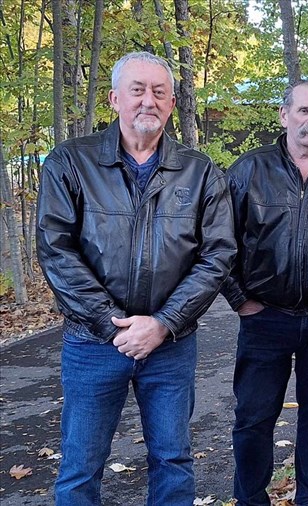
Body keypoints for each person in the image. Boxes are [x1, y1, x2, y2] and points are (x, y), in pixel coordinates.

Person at [36, 51, 236, 505]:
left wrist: (163, 323)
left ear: (171, 103)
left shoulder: (200, 171)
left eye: (159, 92)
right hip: (92, 343)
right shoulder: (71, 163)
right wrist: (113, 324)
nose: (149, 100)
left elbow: (217, 254)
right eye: (138, 90)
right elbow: (56, 249)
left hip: (171, 345)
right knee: (80, 467)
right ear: (114, 99)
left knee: (172, 461)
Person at [222, 80, 308, 506]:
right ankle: (250, 499)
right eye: (303, 111)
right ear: (284, 116)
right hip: (265, 317)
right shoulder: (249, 170)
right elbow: (217, 243)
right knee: (253, 418)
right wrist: (241, 300)